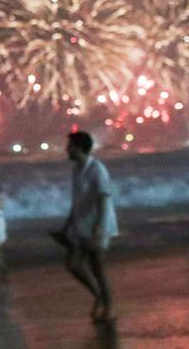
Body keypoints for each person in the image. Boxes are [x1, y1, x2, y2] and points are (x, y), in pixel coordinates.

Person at [62, 130, 118, 322]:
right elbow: (77, 200)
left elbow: (103, 198)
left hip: (97, 224)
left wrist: (99, 227)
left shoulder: (97, 169)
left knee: (98, 269)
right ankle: (99, 297)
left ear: (78, 148)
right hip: (81, 225)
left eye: (69, 146)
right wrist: (67, 225)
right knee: (72, 264)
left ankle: (108, 307)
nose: (66, 149)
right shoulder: (76, 169)